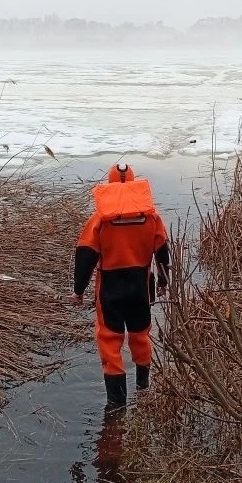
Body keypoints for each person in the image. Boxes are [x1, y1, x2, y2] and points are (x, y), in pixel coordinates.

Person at [71, 163, 170, 408]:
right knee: (140, 336)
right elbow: (163, 252)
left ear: (111, 183)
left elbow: (85, 255)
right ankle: (143, 390)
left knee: (110, 342)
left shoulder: (100, 219)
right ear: (134, 183)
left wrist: (78, 290)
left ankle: (116, 404)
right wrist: (163, 284)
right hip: (141, 288)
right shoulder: (152, 217)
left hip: (110, 291)